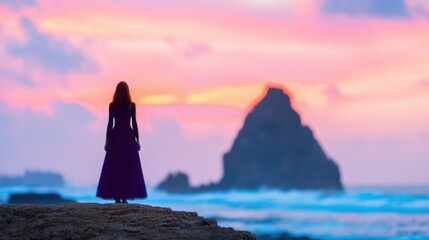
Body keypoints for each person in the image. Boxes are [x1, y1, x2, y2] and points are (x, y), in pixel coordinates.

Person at [96, 81, 148, 203]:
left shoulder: (112, 105)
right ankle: (124, 198)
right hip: (128, 137)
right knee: (127, 167)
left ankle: (117, 198)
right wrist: (137, 140)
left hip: (116, 137)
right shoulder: (131, 105)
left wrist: (107, 140)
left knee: (115, 167)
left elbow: (110, 124)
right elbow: (134, 123)